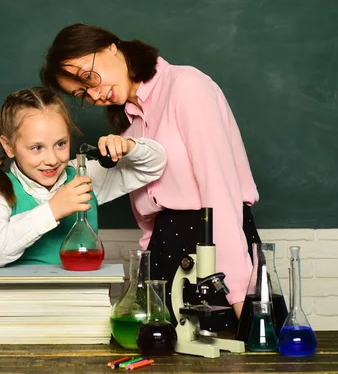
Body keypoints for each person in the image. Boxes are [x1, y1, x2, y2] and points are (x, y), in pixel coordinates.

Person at [40, 23, 262, 332]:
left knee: (234, 353)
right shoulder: (127, 125)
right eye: (81, 93)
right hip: (164, 247)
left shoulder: (186, 86)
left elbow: (220, 191)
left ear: (110, 47)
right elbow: (148, 214)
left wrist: (239, 295)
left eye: (88, 77)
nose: (93, 95)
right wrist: (145, 272)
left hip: (215, 239)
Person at [0, 87, 166, 331]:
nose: (52, 159)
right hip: (15, 318)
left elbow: (155, 165)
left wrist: (129, 146)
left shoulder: (84, 175)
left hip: (80, 313)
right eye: (37, 148)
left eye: (61, 144)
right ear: (9, 146)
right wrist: (52, 210)